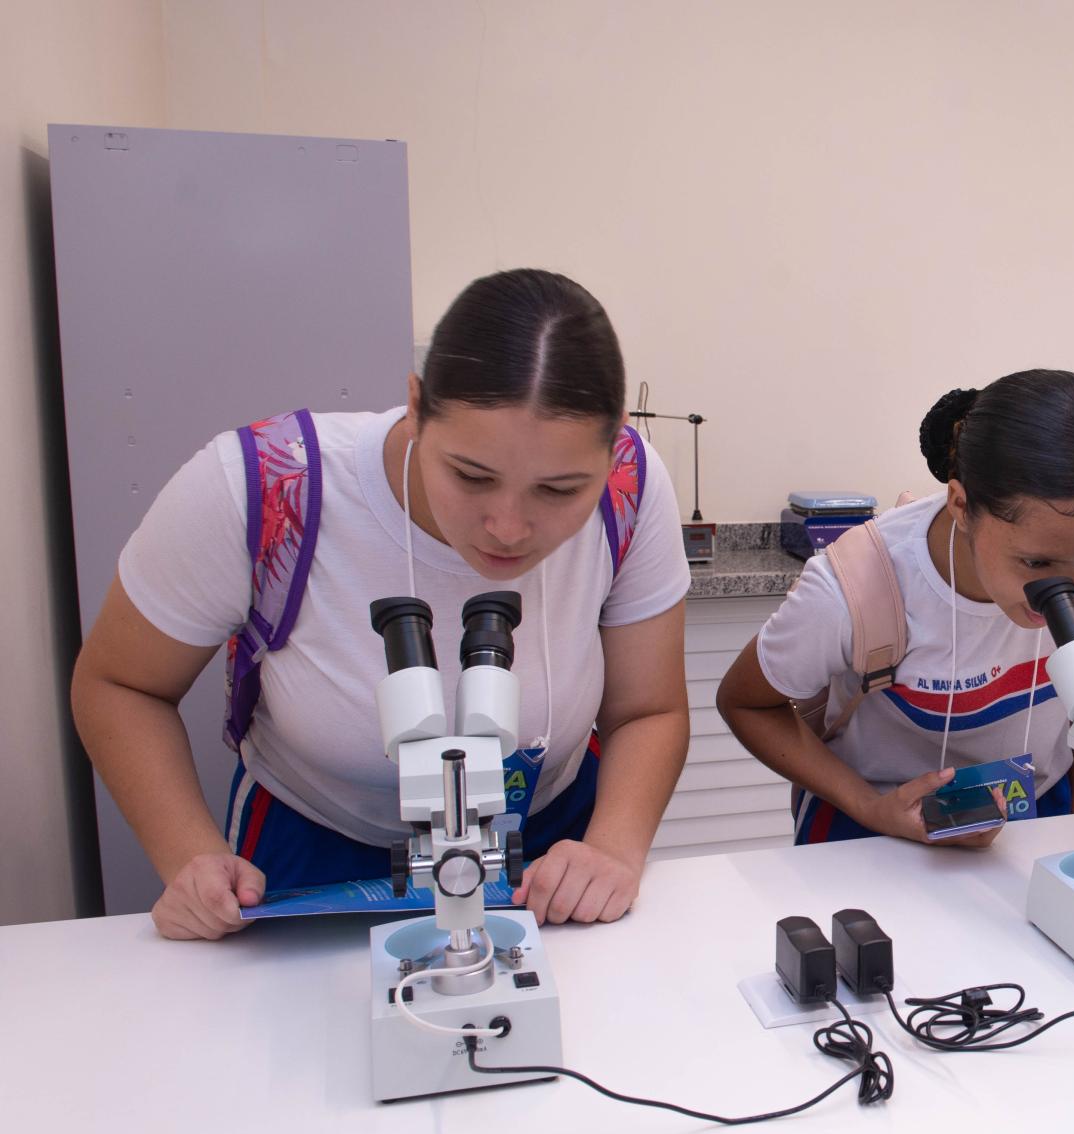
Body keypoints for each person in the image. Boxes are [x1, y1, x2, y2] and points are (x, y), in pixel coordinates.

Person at [72, 268, 691, 938]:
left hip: (551, 849)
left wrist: (613, 849)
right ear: (416, 406)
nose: (508, 526)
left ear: (615, 441)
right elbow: (119, 684)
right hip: (320, 850)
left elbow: (647, 710)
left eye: (559, 489)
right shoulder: (268, 488)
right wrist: (190, 856)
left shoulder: (630, 486)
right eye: (471, 476)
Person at [717, 370, 1074, 844]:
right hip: (873, 828)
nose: (1072, 588)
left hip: (1039, 813)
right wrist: (870, 808)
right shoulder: (856, 588)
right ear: (961, 504)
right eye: (1036, 562)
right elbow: (746, 703)